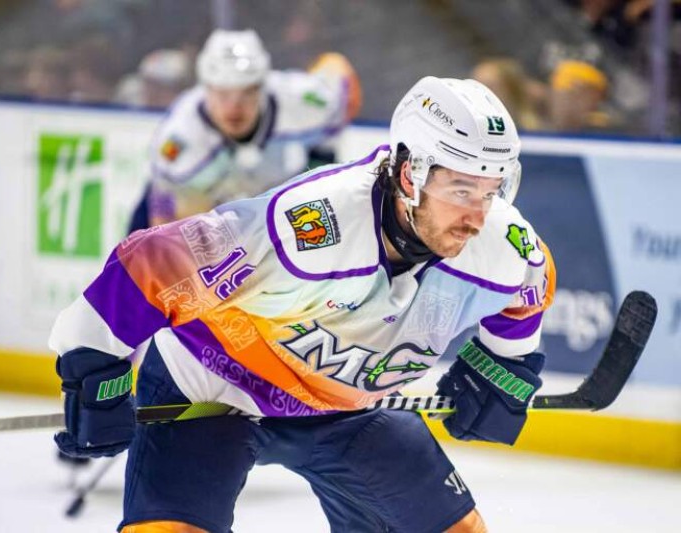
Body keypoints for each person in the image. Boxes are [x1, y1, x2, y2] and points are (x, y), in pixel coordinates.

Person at [49, 75, 556, 532]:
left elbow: (531, 287)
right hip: (212, 390)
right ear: (409, 175)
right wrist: (94, 364)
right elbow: (151, 262)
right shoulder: (307, 228)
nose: (477, 217)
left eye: (492, 191)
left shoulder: (501, 244)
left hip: (349, 410)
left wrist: (503, 365)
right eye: (462, 189)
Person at [127, 28, 362, 231]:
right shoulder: (181, 135)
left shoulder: (298, 99)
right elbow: (163, 220)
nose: (234, 108)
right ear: (206, 89)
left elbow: (339, 88)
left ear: (262, 86)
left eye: (247, 92)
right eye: (223, 94)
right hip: (201, 196)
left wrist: (317, 173)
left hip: (268, 186)